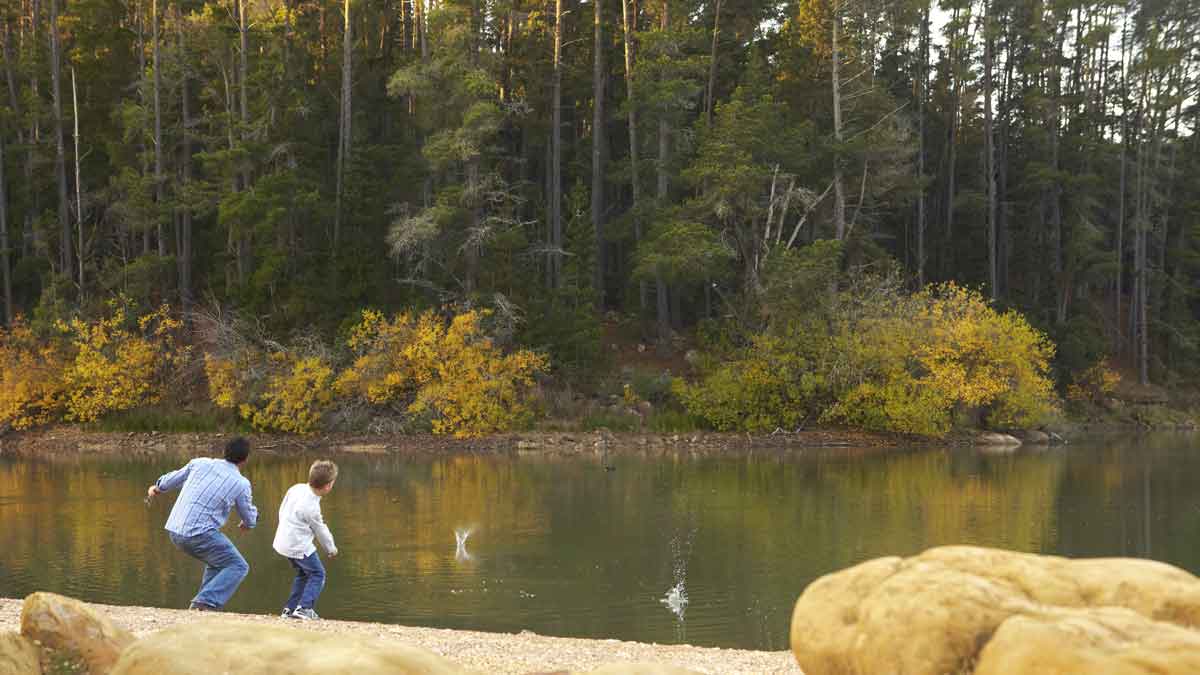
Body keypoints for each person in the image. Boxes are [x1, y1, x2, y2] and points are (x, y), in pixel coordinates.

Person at [147, 437, 258, 611]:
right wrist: (248, 523)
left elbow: (170, 480)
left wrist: (157, 487)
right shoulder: (241, 483)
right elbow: (249, 516)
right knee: (238, 566)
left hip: (175, 530)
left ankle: (201, 607)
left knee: (218, 562)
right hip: (199, 534)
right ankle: (204, 603)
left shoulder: (199, 463)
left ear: (224, 452)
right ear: (245, 459)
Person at [273, 459, 339, 620]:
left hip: (283, 541)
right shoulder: (311, 507)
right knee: (318, 574)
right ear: (328, 486)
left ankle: (290, 609)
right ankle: (304, 608)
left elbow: (282, 510)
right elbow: (320, 530)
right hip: (298, 546)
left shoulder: (296, 488)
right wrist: (331, 548)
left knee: (303, 574)